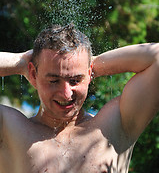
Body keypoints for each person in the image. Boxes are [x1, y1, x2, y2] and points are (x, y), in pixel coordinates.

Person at [0, 23, 159, 173]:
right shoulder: (10, 129)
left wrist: (93, 63)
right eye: (54, 80)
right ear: (34, 74)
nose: (66, 94)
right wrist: (20, 62)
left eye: (75, 80)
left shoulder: (115, 125)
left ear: (89, 74)